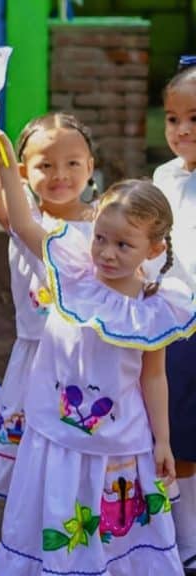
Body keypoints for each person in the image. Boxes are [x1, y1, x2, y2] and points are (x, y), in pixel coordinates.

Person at [0, 126, 191, 574]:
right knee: (58, 518)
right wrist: (3, 165)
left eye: (123, 245)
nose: (107, 253)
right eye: (101, 238)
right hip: (56, 435)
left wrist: (163, 440)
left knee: (113, 534)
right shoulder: (71, 270)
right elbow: (22, 223)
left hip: (121, 441)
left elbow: (153, 376)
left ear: (153, 249)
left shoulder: (152, 310)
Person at [0, 101, 99, 499]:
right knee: (34, 458)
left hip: (88, 356)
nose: (60, 175)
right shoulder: (24, 219)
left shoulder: (105, 222)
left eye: (72, 163)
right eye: (45, 165)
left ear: (90, 166)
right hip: (37, 354)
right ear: (24, 172)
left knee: (81, 449)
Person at [154, 58, 196, 574]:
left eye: (195, 118)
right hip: (180, 326)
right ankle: (186, 545)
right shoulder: (163, 176)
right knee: (180, 437)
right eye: (172, 118)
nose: (182, 129)